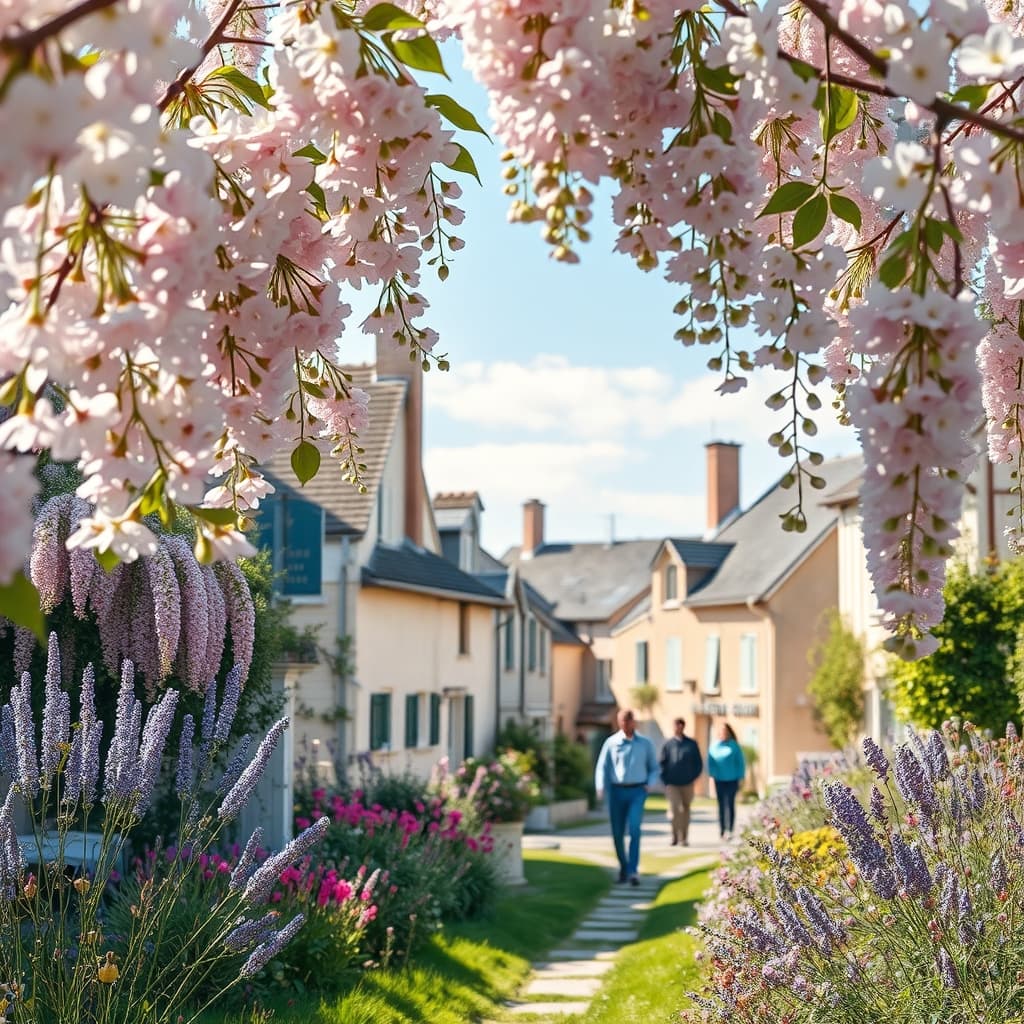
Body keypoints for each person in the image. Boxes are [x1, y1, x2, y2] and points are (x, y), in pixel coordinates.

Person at [594, 708, 659, 886]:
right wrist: (600, 787)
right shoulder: (611, 743)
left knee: (635, 829)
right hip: (616, 792)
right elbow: (602, 767)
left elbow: (654, 767)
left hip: (638, 791)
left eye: (627, 721)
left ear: (633, 722)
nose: (624, 724)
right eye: (621, 721)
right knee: (617, 833)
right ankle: (623, 867)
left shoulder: (645, 744)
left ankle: (632, 871)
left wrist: (650, 783)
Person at [659, 718, 703, 846]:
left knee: (685, 810)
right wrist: (665, 779)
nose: (678, 727)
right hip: (672, 783)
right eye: (676, 725)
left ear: (683, 727)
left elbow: (698, 763)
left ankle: (683, 838)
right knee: (675, 809)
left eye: (680, 725)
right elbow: (662, 763)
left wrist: (693, 776)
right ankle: (674, 836)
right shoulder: (668, 744)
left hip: (687, 783)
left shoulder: (691, 744)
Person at [707, 722, 746, 840]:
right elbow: (710, 762)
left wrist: (741, 777)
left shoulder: (734, 746)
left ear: (729, 732)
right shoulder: (714, 747)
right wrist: (712, 774)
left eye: (725, 731)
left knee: (730, 804)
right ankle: (722, 829)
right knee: (721, 805)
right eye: (721, 731)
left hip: (732, 779)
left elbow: (740, 763)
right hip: (719, 780)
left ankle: (730, 829)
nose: (723, 733)